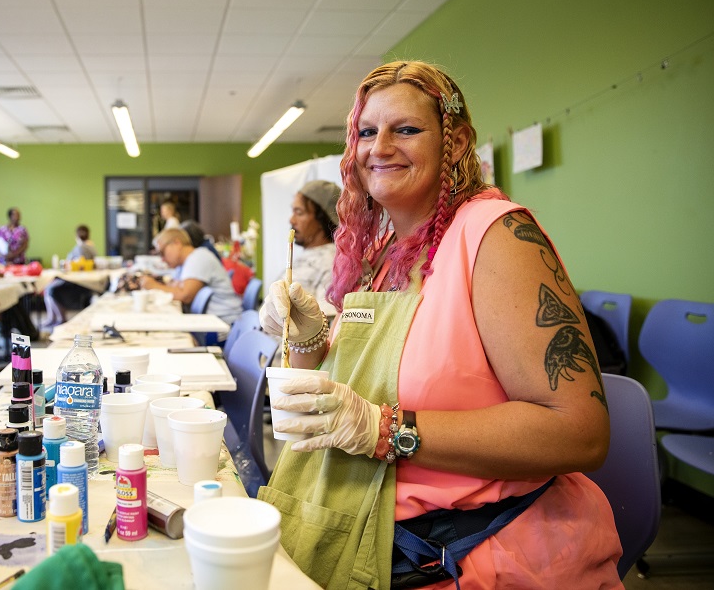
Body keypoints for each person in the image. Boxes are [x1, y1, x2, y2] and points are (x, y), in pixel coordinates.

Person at [258, 61, 621, 588]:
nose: (378, 147)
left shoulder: (496, 236)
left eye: (405, 129)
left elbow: (579, 433)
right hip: (371, 529)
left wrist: (387, 430)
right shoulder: (381, 252)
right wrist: (312, 341)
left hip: (473, 553)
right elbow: (355, 395)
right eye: (365, 131)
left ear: (455, 144)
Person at [141, 227, 242, 331]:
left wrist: (153, 286)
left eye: (162, 252)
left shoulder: (198, 258)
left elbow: (185, 295)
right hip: (214, 322)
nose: (162, 259)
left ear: (177, 243)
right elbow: (173, 286)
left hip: (223, 325)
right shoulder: (184, 262)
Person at [277, 179, 340, 307]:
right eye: (293, 211)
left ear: (322, 219)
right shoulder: (311, 255)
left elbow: (326, 321)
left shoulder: (332, 264)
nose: (292, 220)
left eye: (299, 212)